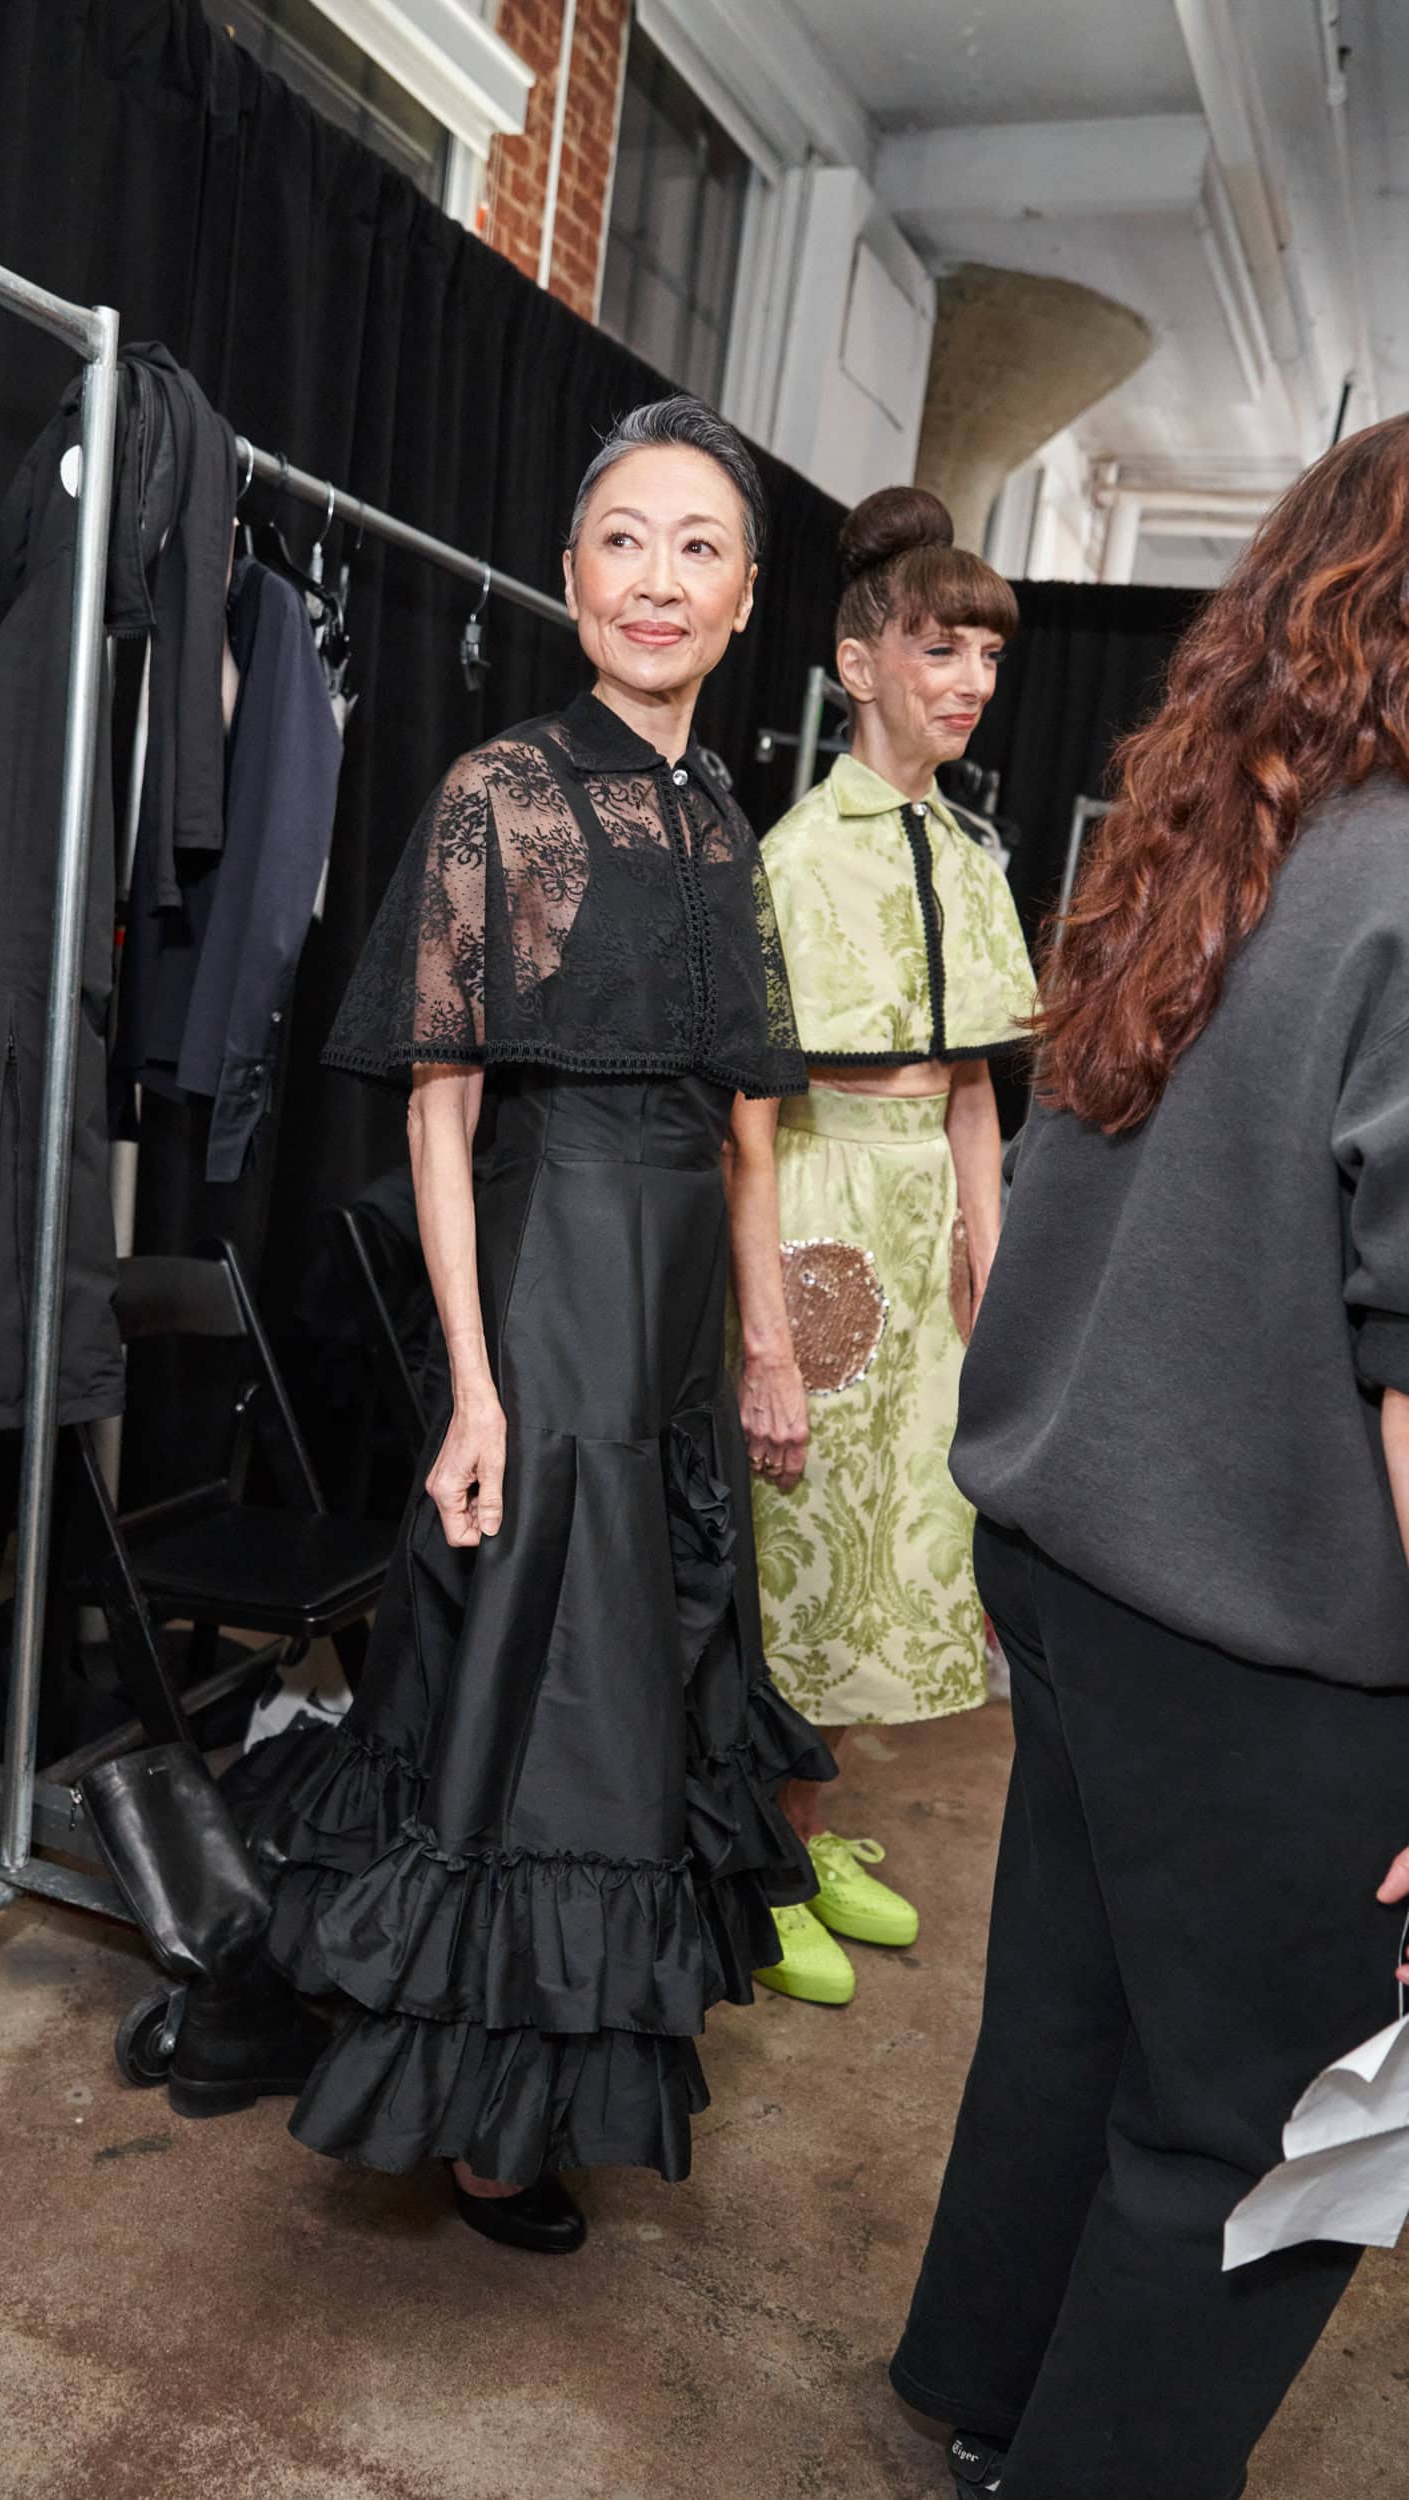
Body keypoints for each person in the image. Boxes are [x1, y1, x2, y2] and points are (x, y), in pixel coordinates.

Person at [231, 397, 833, 2254]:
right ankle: (483, 2125)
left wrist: (765, 1346)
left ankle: (540, 2089)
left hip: (670, 1332)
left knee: (640, 1690)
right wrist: (475, 1393)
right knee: (536, 1697)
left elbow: (749, 1129)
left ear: (746, 600)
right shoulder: (505, 792)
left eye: (699, 548)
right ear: (571, 578)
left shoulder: (725, 821)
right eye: (625, 541)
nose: (658, 578)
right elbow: (439, 1111)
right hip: (549, 1291)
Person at [890, 414, 1409, 2500]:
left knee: (1072, 2023)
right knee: (1257, 2135)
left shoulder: (1205, 840)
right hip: (1261, 1636)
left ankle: (982, 2392)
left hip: (1078, 1565)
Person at [725, 489, 1031, 2009]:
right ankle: (752, 1864)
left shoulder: (969, 856)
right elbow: (746, 1120)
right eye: (939, 649)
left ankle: (806, 1823)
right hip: (821, 1209)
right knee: (799, 1543)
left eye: (988, 654)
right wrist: (766, 1335)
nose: (969, 681)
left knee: (891, 1547)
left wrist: (995, 1256)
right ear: (859, 665)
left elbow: (974, 1083)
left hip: (928, 1237)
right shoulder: (793, 857)